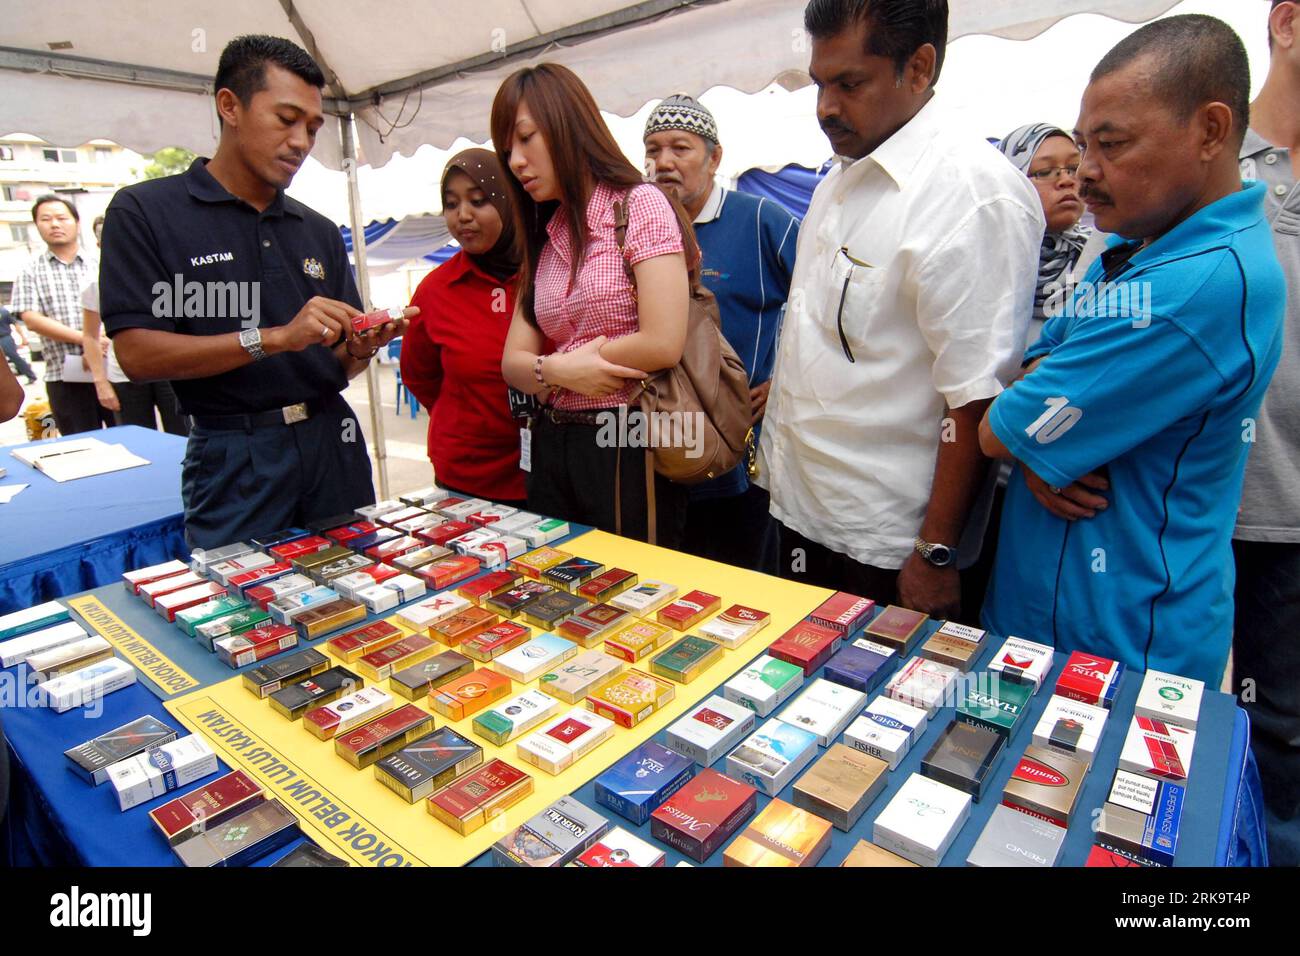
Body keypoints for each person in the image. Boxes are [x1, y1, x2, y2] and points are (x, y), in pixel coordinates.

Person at [979, 15, 1285, 689]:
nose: (1086, 176)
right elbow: (1039, 375)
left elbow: (999, 428)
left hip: (1120, 639)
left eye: (1110, 147)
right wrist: (1047, 436)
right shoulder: (1138, 247)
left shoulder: (1193, 283)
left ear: (1209, 130)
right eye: (1081, 148)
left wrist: (1034, 435)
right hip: (1050, 613)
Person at [758, 0, 1044, 618]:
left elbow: (973, 399)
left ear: (918, 68)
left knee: (887, 711)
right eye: (818, 83)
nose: (825, 107)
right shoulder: (838, 180)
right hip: (803, 514)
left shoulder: (972, 195)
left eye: (849, 83)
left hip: (888, 550)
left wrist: (934, 553)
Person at [99, 35, 409, 549]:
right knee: (243, 618)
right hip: (232, 454)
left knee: (360, 603)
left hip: (333, 439)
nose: (301, 142)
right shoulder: (146, 212)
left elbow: (334, 362)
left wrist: (358, 347)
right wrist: (274, 338)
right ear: (230, 106)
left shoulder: (318, 229)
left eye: (312, 127)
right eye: (285, 119)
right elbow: (137, 356)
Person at [494, 63, 694, 546]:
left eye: (526, 138)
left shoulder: (638, 205)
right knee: (561, 587)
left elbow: (663, 341)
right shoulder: (547, 230)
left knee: (633, 592)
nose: (517, 161)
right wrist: (560, 371)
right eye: (507, 149)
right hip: (552, 439)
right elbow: (511, 362)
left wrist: (557, 366)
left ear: (568, 124)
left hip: (627, 433)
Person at [644, 94, 799, 572]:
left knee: (738, 580)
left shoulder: (761, 220)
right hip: (655, 444)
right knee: (667, 581)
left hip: (740, 446)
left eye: (680, 148)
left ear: (715, 158)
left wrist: (787, 383)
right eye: (652, 149)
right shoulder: (639, 229)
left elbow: (826, 305)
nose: (663, 162)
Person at [961, 123, 1094, 619]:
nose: (1066, 181)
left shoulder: (1101, 269)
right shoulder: (985, 267)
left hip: (1070, 490)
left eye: (1072, 167)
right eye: (1045, 171)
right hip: (985, 486)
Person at [1232, 0, 1300, 868]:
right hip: (1184, 510)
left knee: (1284, 741)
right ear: (1287, 22)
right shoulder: (1194, 155)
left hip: (1293, 525)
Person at [401, 149, 525, 507]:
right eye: (451, 204)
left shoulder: (549, 272)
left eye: (479, 200)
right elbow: (420, 376)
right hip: (467, 478)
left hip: (546, 472)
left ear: (509, 201)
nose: (463, 216)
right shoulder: (435, 290)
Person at [10, 195, 113, 434]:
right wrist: (87, 340)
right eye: (46, 219)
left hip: (110, 369)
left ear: (77, 223)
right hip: (64, 375)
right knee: (81, 445)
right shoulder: (30, 270)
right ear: (37, 226)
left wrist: (101, 342)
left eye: (61, 218)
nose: (55, 224)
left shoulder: (100, 263)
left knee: (129, 438)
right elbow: (31, 318)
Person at [81, 215, 189, 435]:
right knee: (136, 437)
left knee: (182, 435)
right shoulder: (95, 282)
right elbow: (90, 336)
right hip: (124, 374)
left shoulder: (164, 274)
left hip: (169, 369)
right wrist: (101, 382)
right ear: (100, 244)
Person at [0, 304, 36, 385]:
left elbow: (16, 324)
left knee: (14, 357)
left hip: (5, 338)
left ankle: (31, 375)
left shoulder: (4, 312)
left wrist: (23, 338)